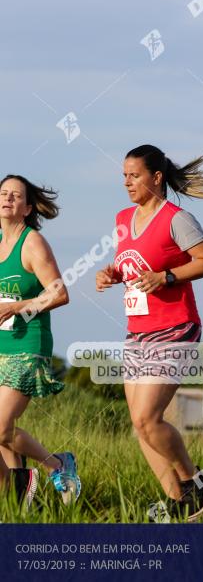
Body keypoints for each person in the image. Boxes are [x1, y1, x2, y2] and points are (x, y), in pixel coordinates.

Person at [96, 145, 203, 521]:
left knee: (148, 419)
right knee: (141, 426)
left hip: (175, 327)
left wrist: (167, 276)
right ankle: (178, 502)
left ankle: (194, 480)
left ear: (156, 178)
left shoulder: (176, 219)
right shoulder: (123, 218)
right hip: (137, 331)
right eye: (124, 176)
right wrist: (112, 274)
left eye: (134, 175)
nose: (127, 182)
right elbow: (131, 265)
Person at [0, 174, 79, 509]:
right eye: (3, 193)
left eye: (16, 196)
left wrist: (18, 306)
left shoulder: (32, 243)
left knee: (0, 427)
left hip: (28, 346)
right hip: (2, 346)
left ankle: (58, 466)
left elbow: (59, 294)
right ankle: (18, 500)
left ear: (28, 207)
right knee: (3, 434)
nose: (7, 200)